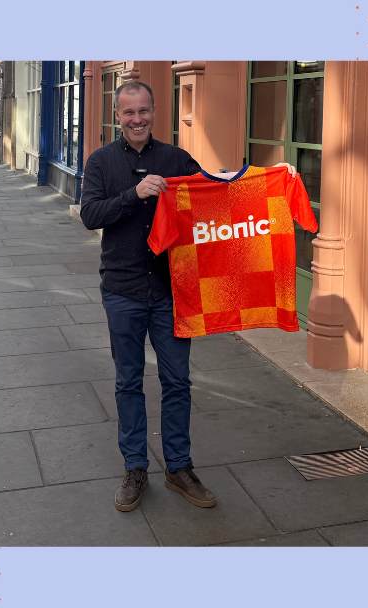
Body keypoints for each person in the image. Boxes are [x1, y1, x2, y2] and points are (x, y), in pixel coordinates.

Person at [79, 80, 294, 513]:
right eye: (128, 113)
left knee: (177, 381)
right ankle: (135, 468)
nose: (136, 119)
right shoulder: (100, 161)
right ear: (117, 116)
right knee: (128, 381)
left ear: (154, 112)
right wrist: (132, 195)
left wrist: (271, 180)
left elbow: (219, 195)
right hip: (121, 290)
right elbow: (89, 214)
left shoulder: (175, 159)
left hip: (173, 293)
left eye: (143, 111)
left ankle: (179, 467)